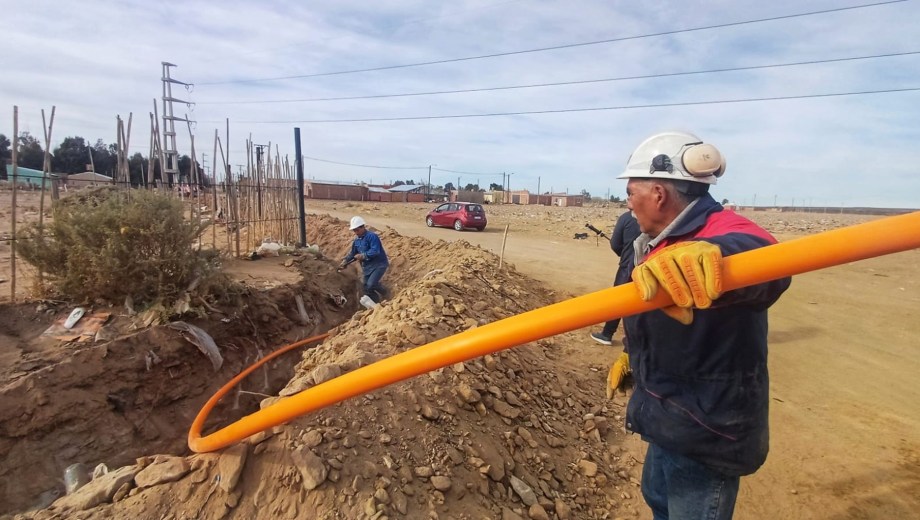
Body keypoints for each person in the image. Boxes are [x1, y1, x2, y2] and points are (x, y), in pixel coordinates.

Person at [612, 131, 791, 520]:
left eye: (630, 194)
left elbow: (769, 263)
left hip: (705, 430)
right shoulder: (658, 239)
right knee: (658, 501)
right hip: (667, 415)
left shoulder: (722, 232)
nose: (628, 205)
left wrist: (718, 256)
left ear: (658, 194)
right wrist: (631, 356)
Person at [590, 210, 640, 346]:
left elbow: (616, 244)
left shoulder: (626, 217)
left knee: (619, 300)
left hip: (628, 267)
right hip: (652, 267)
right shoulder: (660, 215)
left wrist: (624, 254)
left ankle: (607, 334)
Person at [340, 216, 390, 304]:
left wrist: (363, 255)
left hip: (379, 265)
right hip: (367, 268)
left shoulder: (372, 236)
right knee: (366, 288)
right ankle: (377, 303)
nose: (356, 232)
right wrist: (346, 261)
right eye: (354, 230)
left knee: (371, 285)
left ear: (363, 227)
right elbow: (352, 253)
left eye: (357, 230)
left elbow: (375, 251)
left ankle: (386, 293)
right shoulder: (357, 241)